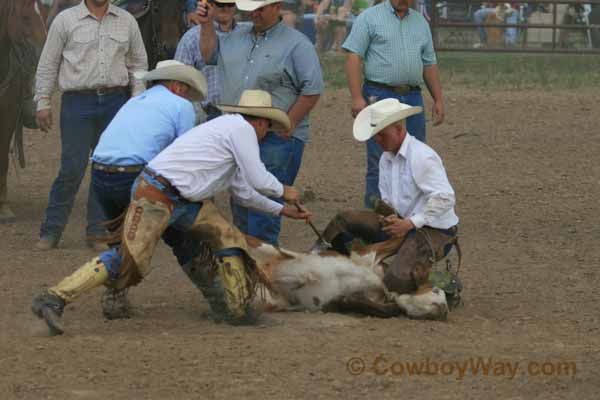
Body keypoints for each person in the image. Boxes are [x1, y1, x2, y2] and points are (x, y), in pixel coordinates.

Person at [31, 90, 312, 335]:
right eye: (268, 128)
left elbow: (244, 192)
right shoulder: (242, 131)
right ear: (260, 121)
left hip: (176, 197)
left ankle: (236, 310)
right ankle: (54, 297)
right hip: (160, 196)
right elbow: (259, 180)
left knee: (228, 237)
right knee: (128, 259)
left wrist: (282, 210)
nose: (267, 133)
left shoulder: (230, 130)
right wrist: (284, 190)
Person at [197, 0, 323, 246]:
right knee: (242, 202)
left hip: (276, 136)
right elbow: (208, 55)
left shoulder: (297, 44)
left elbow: (313, 89)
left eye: (260, 8)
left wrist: (290, 124)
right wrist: (205, 24)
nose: (253, 13)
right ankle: (252, 264)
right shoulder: (234, 36)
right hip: (241, 134)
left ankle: (263, 267)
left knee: (263, 210)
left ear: (277, 7)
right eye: (251, 8)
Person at [89, 60, 207, 319]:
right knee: (181, 234)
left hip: (100, 172)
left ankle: (114, 297)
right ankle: (218, 295)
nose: (188, 95)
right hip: (134, 175)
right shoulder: (181, 106)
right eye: (187, 89)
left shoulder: (135, 102)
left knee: (120, 239)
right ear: (178, 86)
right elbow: (184, 154)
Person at [34, 0, 148, 251]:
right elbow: (48, 63)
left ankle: (98, 231)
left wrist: (137, 102)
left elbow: (139, 64)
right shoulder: (65, 20)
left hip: (116, 101)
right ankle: (51, 230)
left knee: (106, 168)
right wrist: (43, 101)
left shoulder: (126, 21)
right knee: (71, 169)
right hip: (77, 102)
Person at [318, 98, 459, 297]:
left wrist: (410, 223)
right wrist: (391, 217)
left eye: (382, 135)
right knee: (343, 221)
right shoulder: (386, 159)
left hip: (436, 231)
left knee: (396, 282)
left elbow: (445, 198)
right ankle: (345, 263)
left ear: (399, 129)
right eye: (376, 136)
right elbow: (389, 199)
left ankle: (443, 281)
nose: (378, 140)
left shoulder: (422, 156)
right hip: (403, 224)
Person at [342, 0, 444, 209]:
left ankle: (411, 212)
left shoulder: (420, 23)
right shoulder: (369, 18)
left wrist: (438, 98)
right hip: (378, 94)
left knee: (415, 154)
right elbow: (354, 57)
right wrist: (356, 97)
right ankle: (376, 214)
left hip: (413, 95)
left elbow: (429, 63)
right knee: (379, 157)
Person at [175, 0, 244, 122]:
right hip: (209, 115)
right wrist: (198, 116)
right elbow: (180, 82)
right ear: (210, 5)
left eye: (230, 4)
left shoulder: (247, 33)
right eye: (221, 4)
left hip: (244, 113)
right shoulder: (191, 38)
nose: (226, 9)